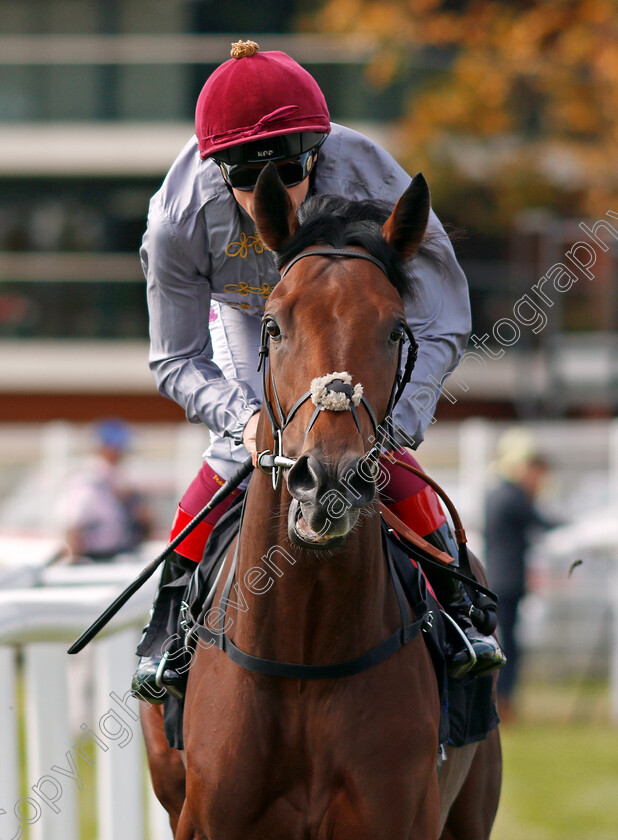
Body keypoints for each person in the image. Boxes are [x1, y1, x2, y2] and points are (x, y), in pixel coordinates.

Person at [132, 40, 505, 701]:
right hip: (248, 314)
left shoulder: (372, 174)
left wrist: (396, 424)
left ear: (320, 147)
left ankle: (458, 604)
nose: (276, 190)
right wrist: (241, 416)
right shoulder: (176, 217)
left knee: (355, 441)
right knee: (236, 450)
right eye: (247, 178)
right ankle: (168, 621)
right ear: (217, 170)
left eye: (293, 166)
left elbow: (442, 315)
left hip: (346, 313)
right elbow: (175, 357)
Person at [484, 428, 558, 720]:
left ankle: (504, 700)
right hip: (507, 581)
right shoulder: (511, 496)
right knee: (508, 644)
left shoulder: (499, 493)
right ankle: (505, 702)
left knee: (506, 641)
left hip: (500, 580)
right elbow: (542, 523)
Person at [62, 419, 152, 562]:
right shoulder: (89, 479)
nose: (121, 453)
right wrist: (75, 561)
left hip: (116, 554)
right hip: (94, 557)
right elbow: (73, 523)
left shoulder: (116, 478)